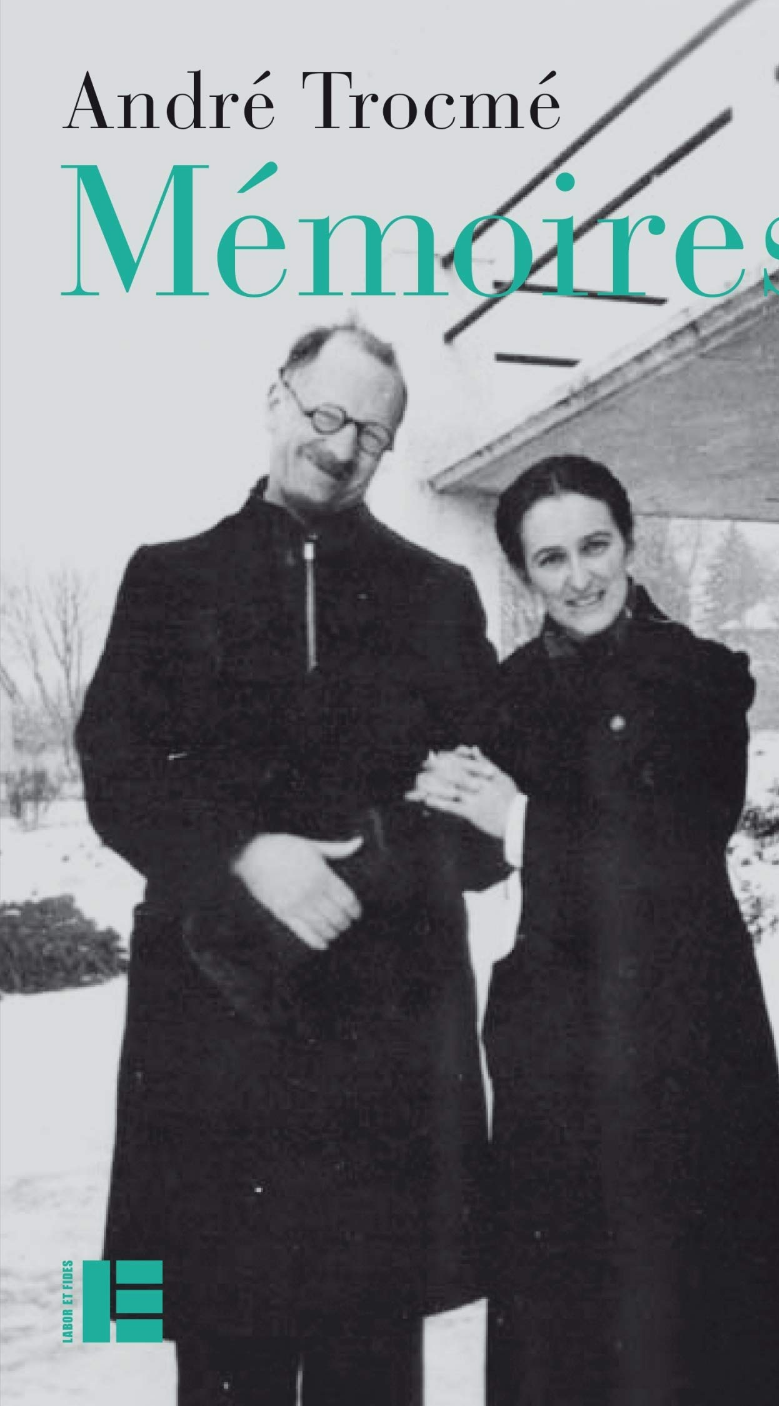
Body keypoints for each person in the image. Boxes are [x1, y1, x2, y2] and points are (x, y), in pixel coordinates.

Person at [76, 324, 503, 1405]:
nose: (343, 446)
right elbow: (114, 775)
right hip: (211, 1048)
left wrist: (374, 860)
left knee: (371, 1368)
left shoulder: (437, 593)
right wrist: (242, 851)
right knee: (223, 1360)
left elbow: (485, 825)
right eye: (326, 414)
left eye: (373, 433)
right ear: (275, 400)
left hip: (383, 1055)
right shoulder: (167, 579)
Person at [409, 455, 779, 1406]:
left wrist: (516, 821)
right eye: (550, 558)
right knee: (572, 1330)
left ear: (629, 541)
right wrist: (442, 796)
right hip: (555, 1057)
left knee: (701, 1324)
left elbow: (676, 854)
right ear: (524, 574)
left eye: (594, 545)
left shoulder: (700, 678)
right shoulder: (504, 695)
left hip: (688, 1043)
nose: (579, 577)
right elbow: (471, 859)